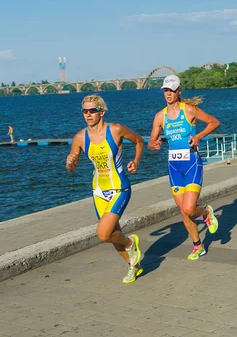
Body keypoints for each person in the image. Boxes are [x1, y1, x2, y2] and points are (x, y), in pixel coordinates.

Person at [66, 94, 144, 283]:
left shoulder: (116, 130)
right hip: (98, 191)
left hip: (119, 188)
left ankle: (131, 242)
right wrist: (70, 163)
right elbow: (71, 167)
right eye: (85, 111)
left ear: (101, 111)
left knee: (103, 233)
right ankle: (133, 266)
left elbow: (139, 141)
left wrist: (135, 161)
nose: (88, 114)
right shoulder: (80, 137)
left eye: (92, 110)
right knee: (111, 234)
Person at [148, 75, 220, 260]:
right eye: (166, 90)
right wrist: (153, 145)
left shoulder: (189, 110)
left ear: (179, 91)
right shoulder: (160, 116)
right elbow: (152, 141)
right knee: (183, 211)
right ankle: (198, 245)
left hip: (192, 164)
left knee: (189, 209)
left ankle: (206, 212)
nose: (168, 93)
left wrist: (199, 137)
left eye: (172, 90)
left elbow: (214, 122)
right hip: (174, 167)